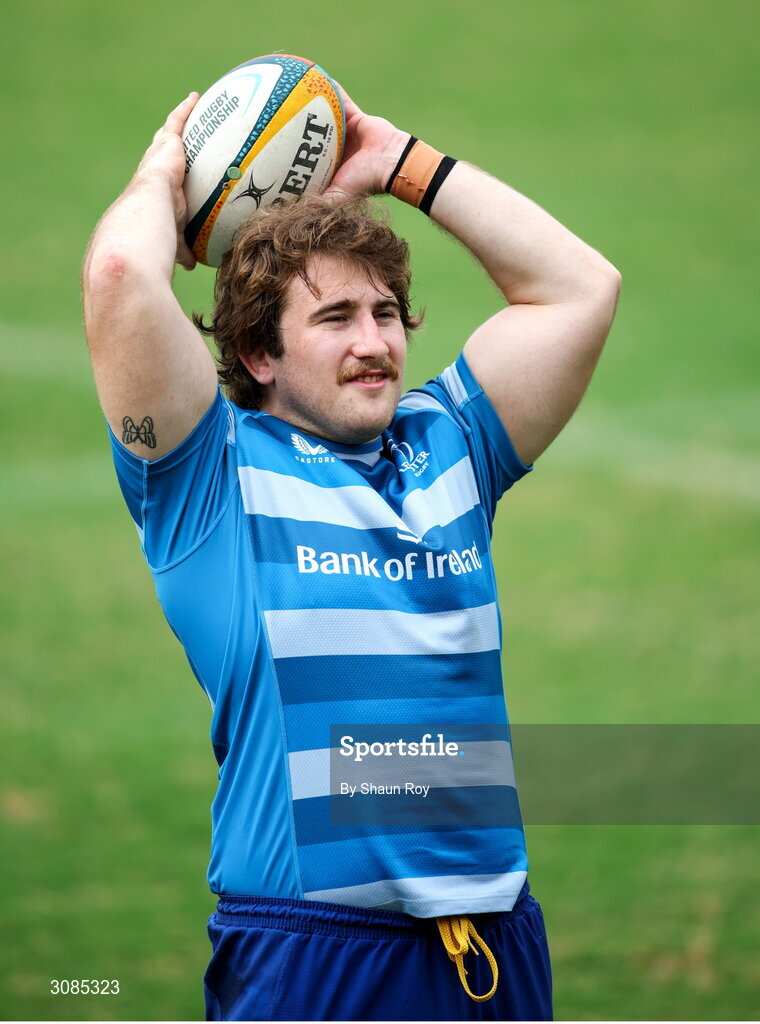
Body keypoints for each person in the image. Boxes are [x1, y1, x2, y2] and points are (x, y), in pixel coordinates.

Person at [82, 82, 620, 1022]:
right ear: (259, 354)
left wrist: (402, 164)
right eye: (334, 321)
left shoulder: (448, 441)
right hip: (313, 959)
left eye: (384, 314)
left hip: (494, 947)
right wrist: (167, 175)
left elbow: (582, 287)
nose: (374, 344)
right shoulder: (210, 476)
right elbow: (125, 278)